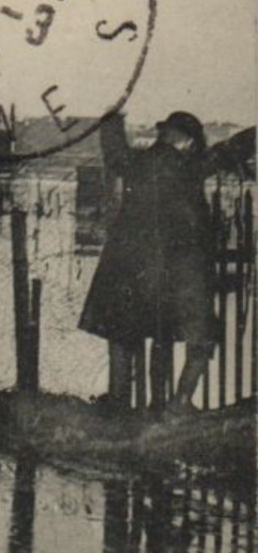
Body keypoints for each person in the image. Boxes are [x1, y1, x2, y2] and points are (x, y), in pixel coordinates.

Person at [78, 111, 217, 411]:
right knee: (167, 334)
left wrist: (112, 120)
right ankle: (167, 404)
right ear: (188, 141)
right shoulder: (189, 168)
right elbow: (198, 221)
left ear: (164, 134)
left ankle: (118, 401)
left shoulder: (137, 162)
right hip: (168, 268)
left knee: (121, 331)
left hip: (125, 265)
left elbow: (114, 153)